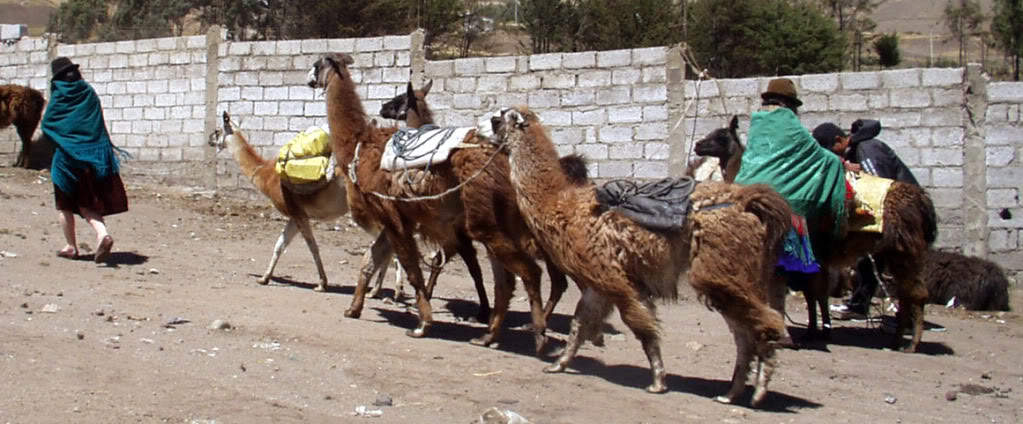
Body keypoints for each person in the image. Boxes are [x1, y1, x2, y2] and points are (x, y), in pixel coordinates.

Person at [734, 78, 849, 281]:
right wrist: (839, 164)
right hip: (779, 201)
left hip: (745, 192)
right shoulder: (788, 122)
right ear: (788, 104)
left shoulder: (757, 122)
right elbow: (819, 157)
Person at [811, 120, 920, 319]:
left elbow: (881, 184)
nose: (833, 156)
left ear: (839, 140)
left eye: (832, 151)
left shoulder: (866, 148)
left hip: (902, 215)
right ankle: (861, 304)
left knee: (898, 262)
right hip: (893, 215)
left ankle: (909, 312)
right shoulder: (855, 152)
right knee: (868, 258)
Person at [40, 57, 128, 263]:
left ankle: (71, 246)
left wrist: (65, 142)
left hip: (66, 161)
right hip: (92, 159)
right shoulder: (88, 93)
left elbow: (48, 125)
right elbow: (96, 123)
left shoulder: (59, 97)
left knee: (64, 205)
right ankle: (102, 235)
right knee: (87, 204)